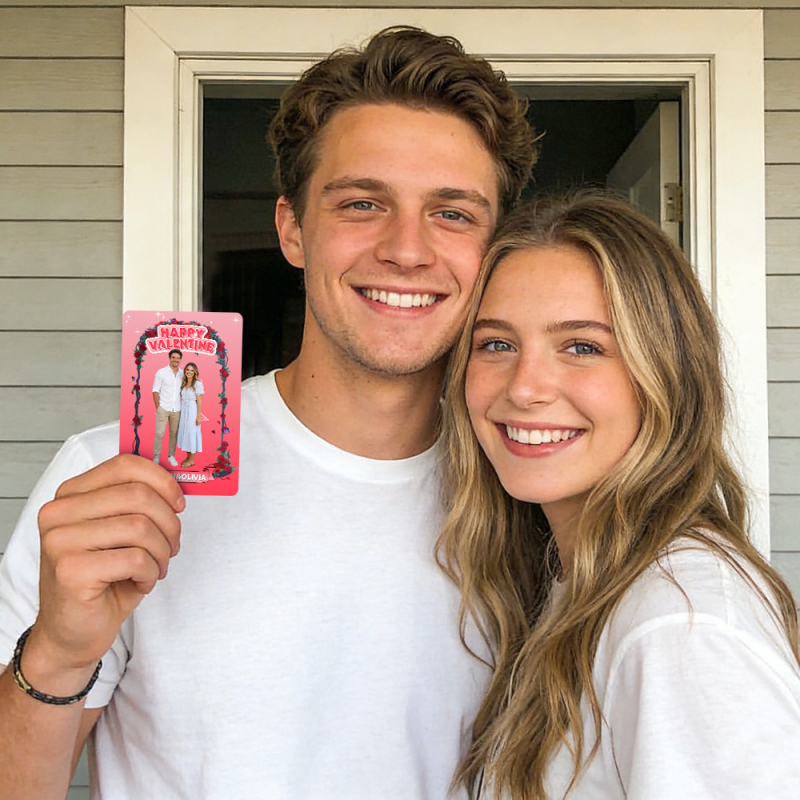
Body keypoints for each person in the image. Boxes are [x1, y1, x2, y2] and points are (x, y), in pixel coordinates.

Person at [0, 26, 538, 799]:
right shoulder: (115, 478)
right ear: (292, 229)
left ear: (495, 248)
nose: (407, 249)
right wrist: (56, 652)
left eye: (452, 214)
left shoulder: (533, 490)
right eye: (363, 203)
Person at [437, 191, 800, 799]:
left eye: (582, 347)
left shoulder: (681, 624)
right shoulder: (574, 579)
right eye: (496, 344)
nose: (524, 388)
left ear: (666, 372)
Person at [151, 348, 184, 467]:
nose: (175, 360)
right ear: (169, 358)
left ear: (180, 360)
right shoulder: (161, 372)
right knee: (159, 434)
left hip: (177, 409)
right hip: (163, 408)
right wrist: (158, 407)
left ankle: (171, 456)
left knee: (174, 434)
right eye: (173, 357)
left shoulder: (182, 374)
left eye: (178, 358)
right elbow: (155, 390)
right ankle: (156, 457)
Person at [175, 362, 203, 468]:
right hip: (184, 410)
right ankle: (188, 457)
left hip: (192, 411)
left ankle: (191, 460)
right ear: (185, 371)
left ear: (195, 372)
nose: (189, 372)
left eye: (192, 370)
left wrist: (198, 416)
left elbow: (199, 401)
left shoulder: (197, 384)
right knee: (185, 433)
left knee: (192, 433)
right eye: (187, 370)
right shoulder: (184, 383)